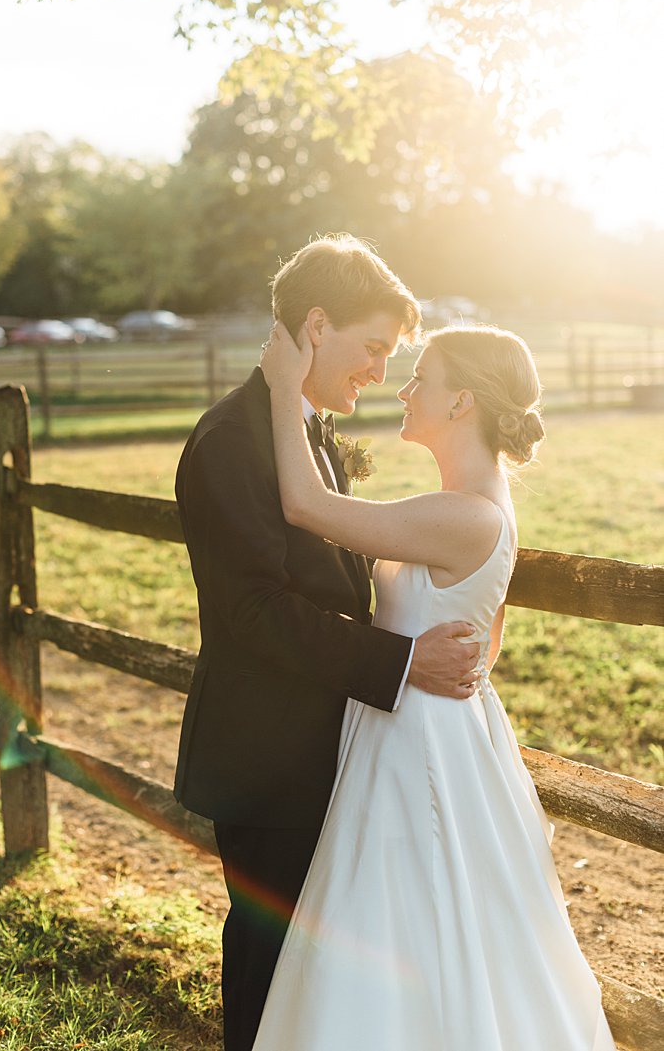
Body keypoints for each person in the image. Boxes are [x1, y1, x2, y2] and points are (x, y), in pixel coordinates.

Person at [251, 320, 614, 1049]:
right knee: (432, 914)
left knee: (398, 910)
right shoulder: (479, 507)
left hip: (416, 743)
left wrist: (284, 388)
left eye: (425, 377)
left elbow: (306, 507)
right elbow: (489, 634)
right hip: (430, 724)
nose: (406, 388)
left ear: (462, 404)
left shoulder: (463, 515)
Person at [172, 234, 483, 1051]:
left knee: (313, 985)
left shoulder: (298, 431)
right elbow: (252, 611)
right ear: (317, 326)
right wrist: (406, 662)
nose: (380, 371)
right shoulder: (230, 438)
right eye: (373, 347)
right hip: (265, 759)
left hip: (319, 752)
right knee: (269, 970)